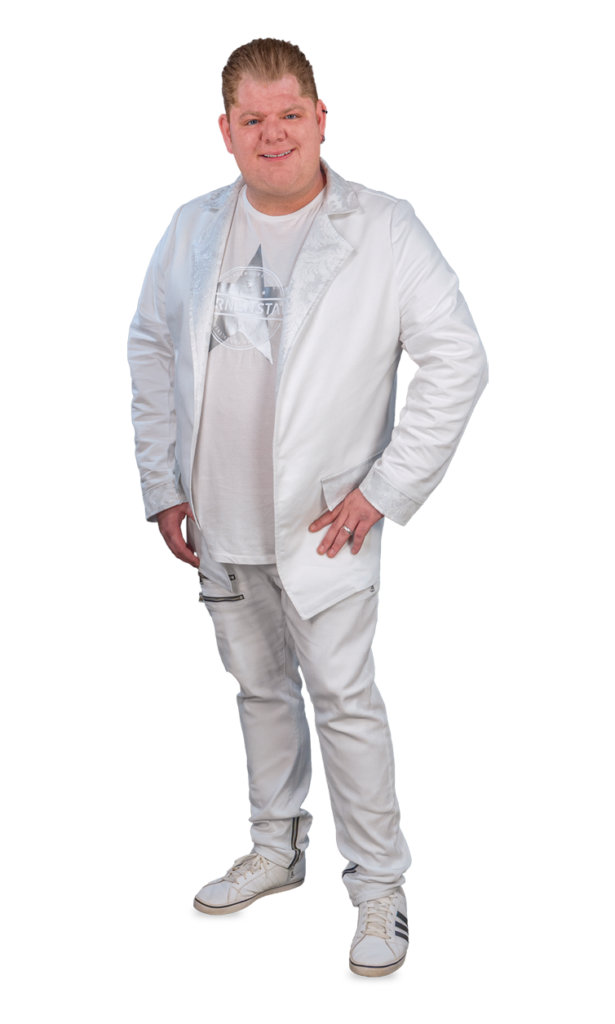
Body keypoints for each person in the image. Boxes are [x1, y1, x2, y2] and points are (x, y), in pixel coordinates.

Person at [127, 37, 488, 978]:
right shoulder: (193, 225)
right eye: (252, 119)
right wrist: (164, 484)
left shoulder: (384, 227)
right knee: (257, 691)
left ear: (321, 117)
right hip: (219, 515)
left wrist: (387, 488)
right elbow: (151, 347)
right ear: (224, 131)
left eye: (290, 113)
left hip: (325, 520)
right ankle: (275, 849)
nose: (273, 134)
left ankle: (378, 887)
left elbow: (458, 360)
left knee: (344, 699)